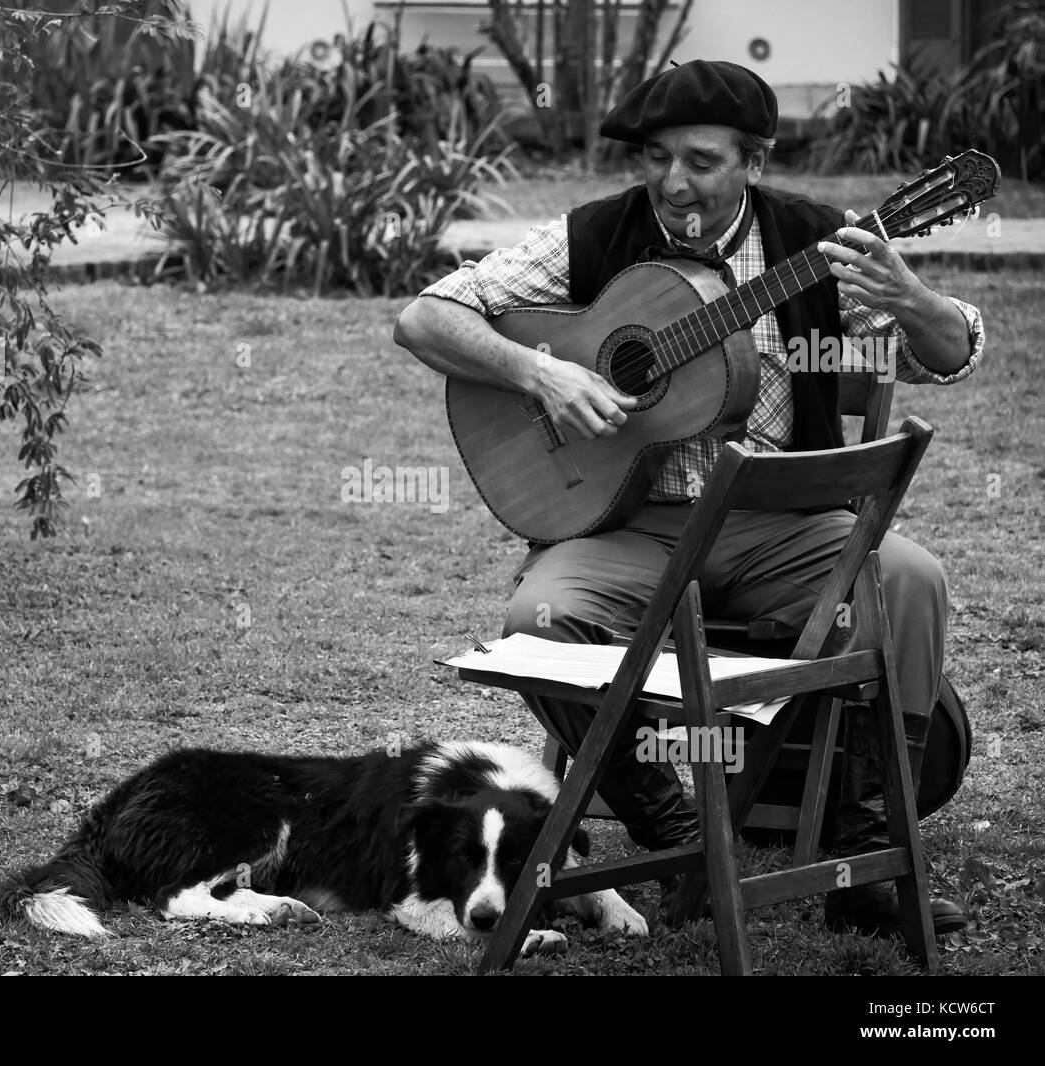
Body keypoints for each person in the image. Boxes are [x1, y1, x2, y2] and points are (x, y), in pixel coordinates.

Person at [393, 59, 982, 938]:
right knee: (536, 622)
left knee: (912, 581)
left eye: (701, 160)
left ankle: (862, 863)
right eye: (657, 157)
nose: (675, 181)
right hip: (633, 526)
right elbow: (424, 318)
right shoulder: (597, 235)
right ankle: (670, 826)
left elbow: (947, 349)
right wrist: (541, 370)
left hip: (784, 525)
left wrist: (914, 297)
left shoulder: (818, 241)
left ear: (754, 159)